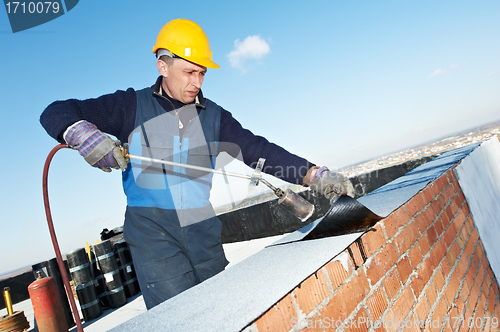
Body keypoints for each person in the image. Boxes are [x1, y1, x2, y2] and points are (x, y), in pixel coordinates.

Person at [40, 18, 354, 309]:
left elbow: (258, 150)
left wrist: (313, 174)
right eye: (189, 72)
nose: (197, 81)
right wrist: (80, 134)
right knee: (180, 318)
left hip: (202, 232)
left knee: (223, 312)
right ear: (163, 66)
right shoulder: (130, 106)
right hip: (154, 238)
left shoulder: (213, 116)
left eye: (201, 73)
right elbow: (55, 111)